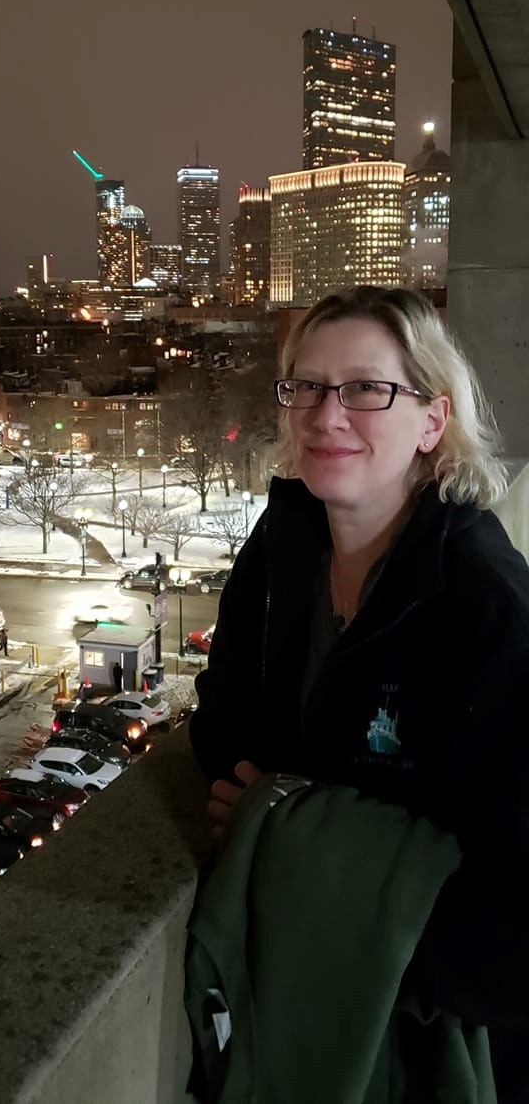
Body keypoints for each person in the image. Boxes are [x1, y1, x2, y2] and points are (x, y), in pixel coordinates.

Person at [189, 286, 529, 1102]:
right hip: (286, 1003)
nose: (325, 414)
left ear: (432, 422)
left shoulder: (485, 607)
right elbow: (223, 724)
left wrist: (293, 841)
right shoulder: (283, 547)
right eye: (305, 386)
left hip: (442, 1045)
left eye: (366, 389)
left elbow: (513, 920)